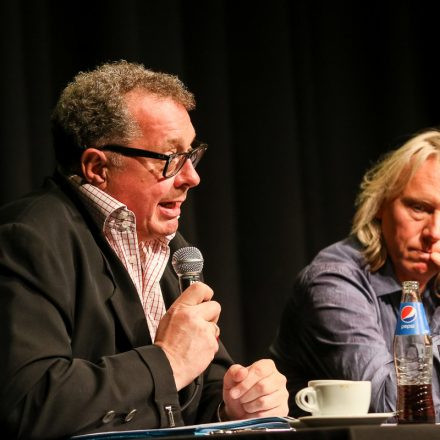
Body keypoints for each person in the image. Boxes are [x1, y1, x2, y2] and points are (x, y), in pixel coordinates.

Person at [0, 60, 288, 439]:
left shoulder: (170, 246)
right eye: (171, 159)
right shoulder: (28, 238)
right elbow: (30, 401)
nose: (192, 177)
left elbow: (200, 380)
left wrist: (236, 402)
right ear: (97, 167)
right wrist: (165, 363)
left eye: (192, 154)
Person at [270, 129, 440, 418]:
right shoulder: (333, 281)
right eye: (419, 208)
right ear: (380, 205)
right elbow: (394, 408)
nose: (433, 233)